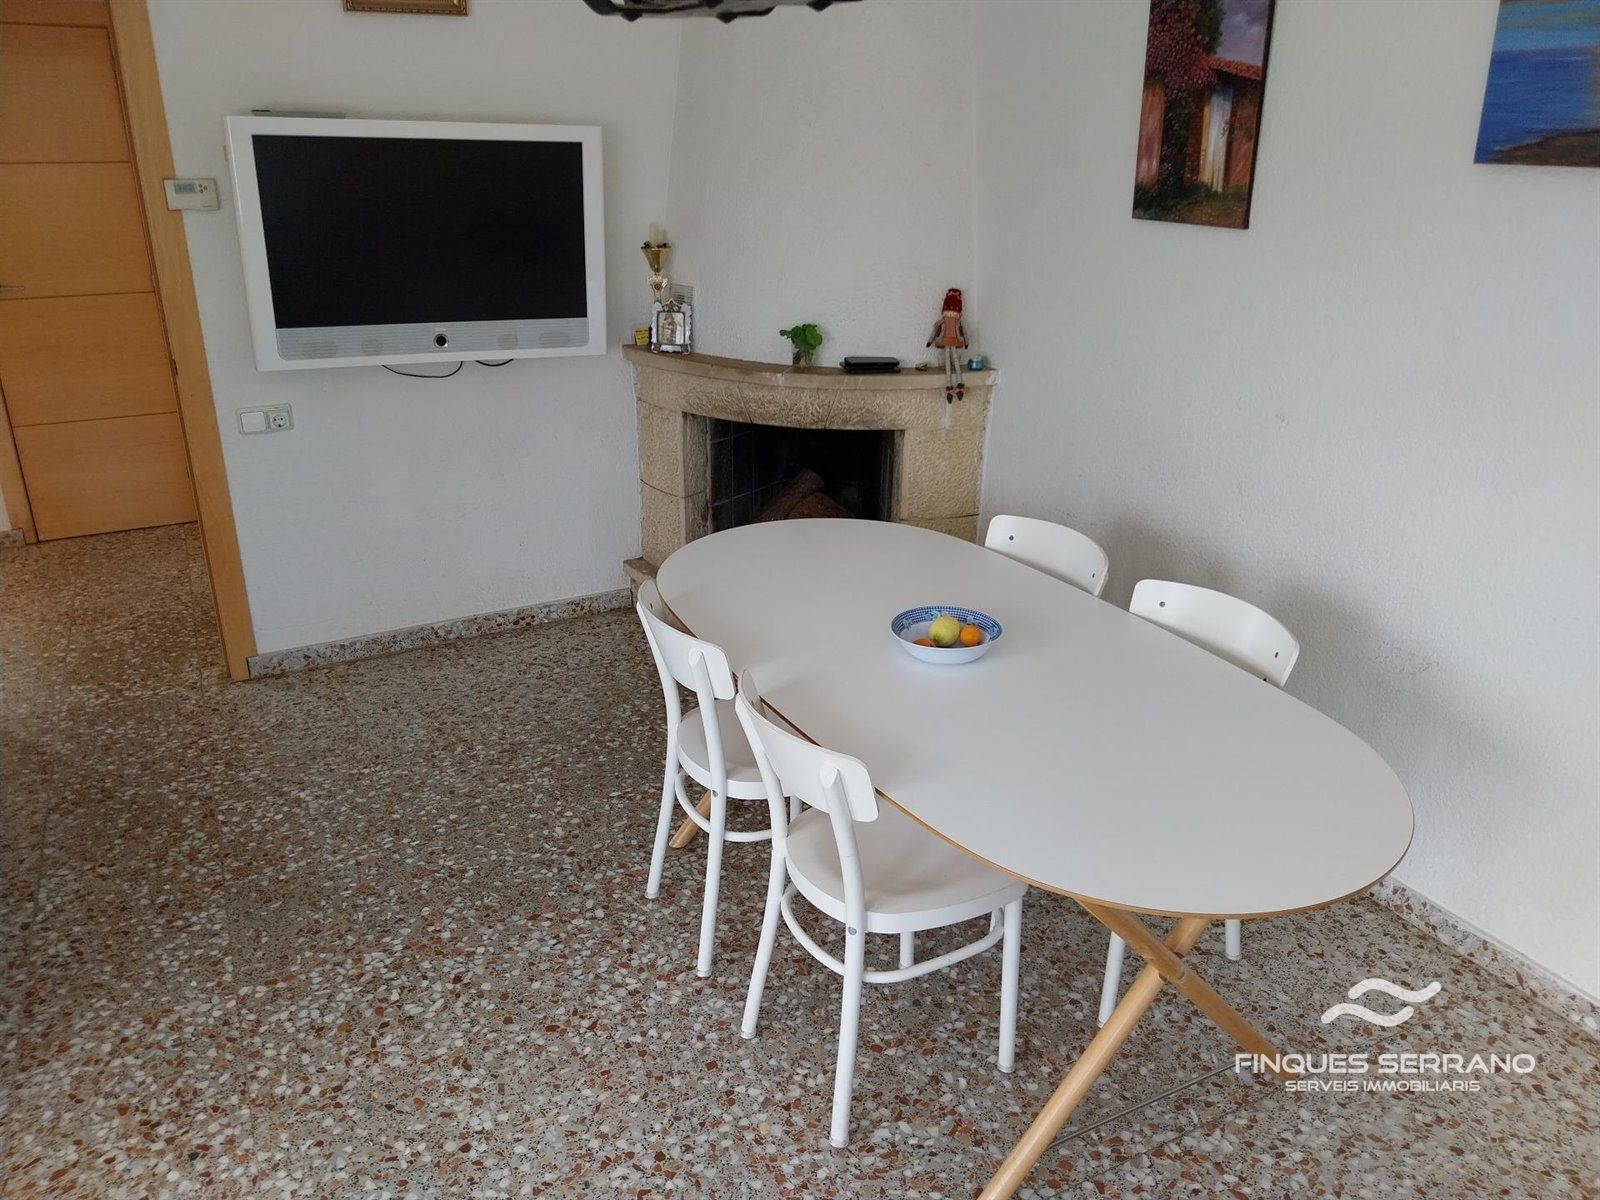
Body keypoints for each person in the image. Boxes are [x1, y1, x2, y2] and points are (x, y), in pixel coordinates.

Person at [926, 288, 968, 406]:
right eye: (949, 310)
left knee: (955, 361)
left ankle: (960, 384)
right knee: (948, 363)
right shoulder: (941, 322)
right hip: (945, 342)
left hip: (955, 342)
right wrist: (930, 341)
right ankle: (949, 386)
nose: (951, 313)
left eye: (954, 311)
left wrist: (966, 341)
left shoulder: (958, 323)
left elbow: (964, 332)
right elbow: (935, 331)